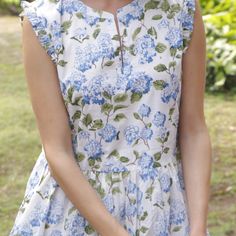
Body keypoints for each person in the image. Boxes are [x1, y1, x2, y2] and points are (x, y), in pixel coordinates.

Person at [9, 0, 212, 235]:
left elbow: (193, 130)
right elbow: (56, 149)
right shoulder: (45, 20)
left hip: (164, 209)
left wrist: (197, 228)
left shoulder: (181, 10)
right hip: (72, 212)